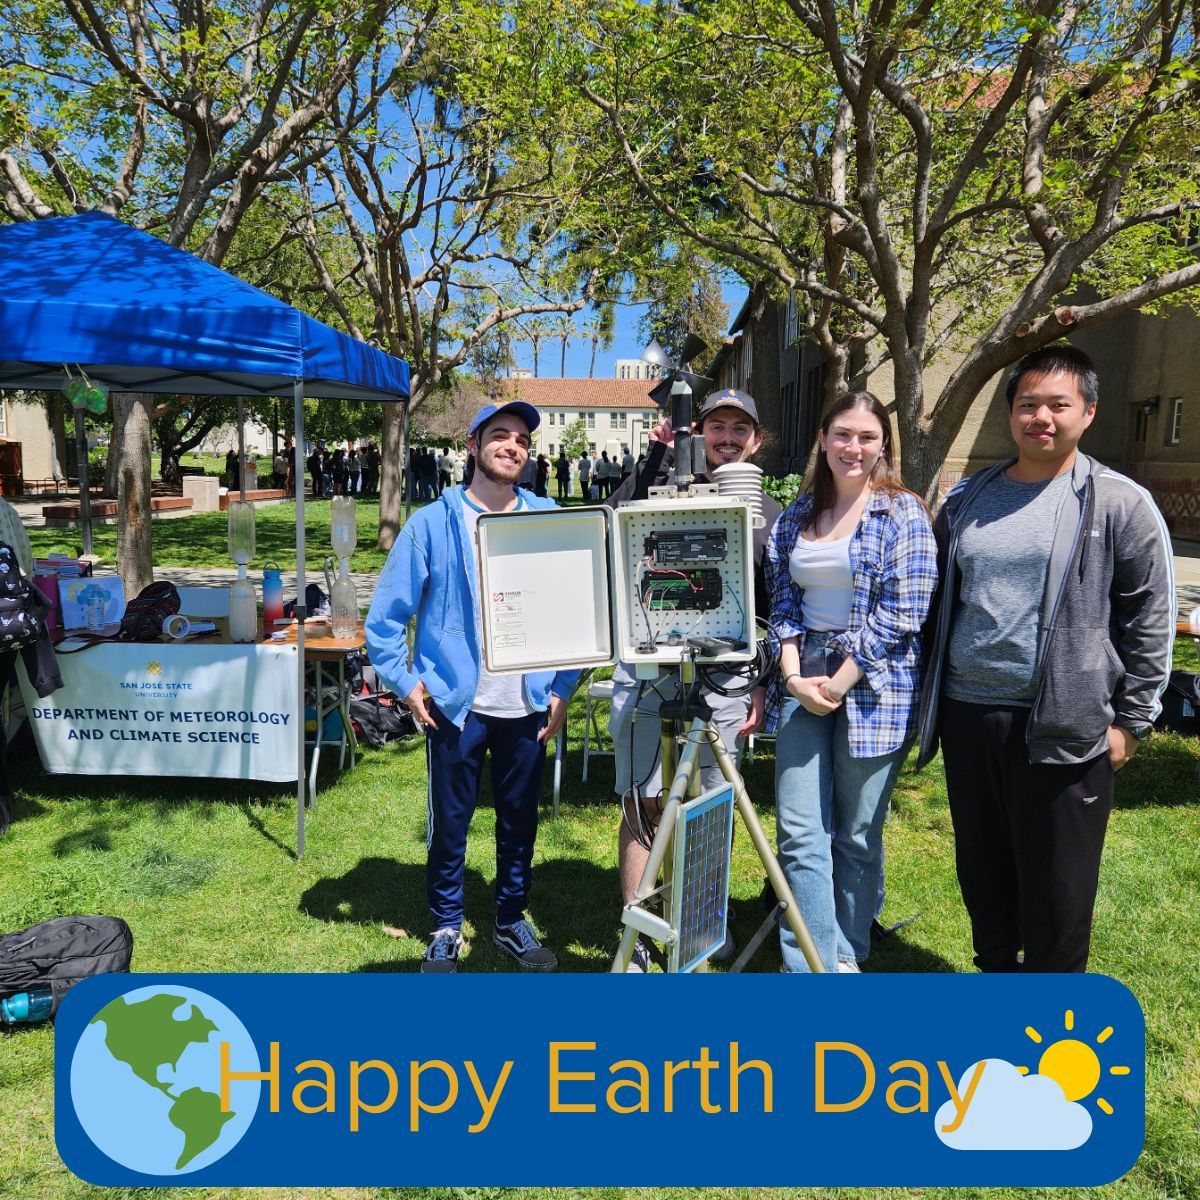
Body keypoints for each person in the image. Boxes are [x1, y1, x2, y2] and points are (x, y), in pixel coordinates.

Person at [915, 344, 1174, 973]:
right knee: (986, 880)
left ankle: (1054, 1030)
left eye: (1058, 404)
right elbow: (937, 599)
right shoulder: (968, 499)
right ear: (1010, 414)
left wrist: (1131, 722)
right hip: (970, 716)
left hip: (1066, 726)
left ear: (1087, 411)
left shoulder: (1119, 504)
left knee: (1058, 895)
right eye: (1028, 404)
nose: (1042, 418)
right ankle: (998, 994)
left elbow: (1151, 617)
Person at [366, 401, 578, 974]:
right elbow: (384, 621)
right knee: (451, 822)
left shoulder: (547, 517)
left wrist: (563, 686)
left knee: (519, 820)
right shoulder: (433, 523)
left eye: (522, 440)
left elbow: (576, 610)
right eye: (500, 435)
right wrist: (409, 685)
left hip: (528, 703)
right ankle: (445, 924)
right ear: (473, 445)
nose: (512, 446)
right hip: (456, 706)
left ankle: (510, 919)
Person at [606, 388, 782, 971]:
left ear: (755, 440)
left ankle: (703, 922)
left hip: (725, 680)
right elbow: (613, 530)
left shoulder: (769, 514)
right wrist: (655, 460)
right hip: (650, 669)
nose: (726, 438)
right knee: (644, 802)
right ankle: (639, 937)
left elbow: (774, 602)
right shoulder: (658, 481)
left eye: (739, 429)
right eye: (716, 427)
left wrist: (760, 682)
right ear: (695, 432)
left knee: (712, 801)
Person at [765, 391, 936, 973]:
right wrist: (792, 676)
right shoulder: (796, 516)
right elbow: (783, 603)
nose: (853, 447)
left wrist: (838, 683)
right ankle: (809, 964)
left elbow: (904, 611)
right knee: (798, 831)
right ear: (822, 438)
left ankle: (846, 954)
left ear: (882, 443)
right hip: (802, 671)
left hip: (873, 681)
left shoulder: (903, 513)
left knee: (857, 835)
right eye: (842, 434)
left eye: (866, 436)